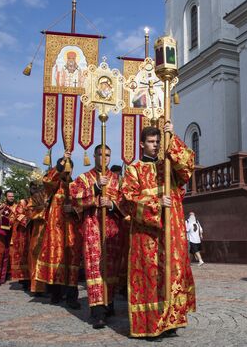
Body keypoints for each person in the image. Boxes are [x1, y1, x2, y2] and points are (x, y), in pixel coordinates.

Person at [120, 124, 196, 339]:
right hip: (147, 234)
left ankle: (171, 321)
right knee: (151, 276)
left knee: (172, 274)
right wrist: (155, 203)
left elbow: (188, 165)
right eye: (152, 142)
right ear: (142, 144)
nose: (156, 146)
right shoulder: (133, 169)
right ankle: (150, 325)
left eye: (158, 142)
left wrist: (172, 136)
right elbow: (127, 199)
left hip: (173, 230)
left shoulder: (168, 166)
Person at [70, 144, 123, 329]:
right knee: (95, 269)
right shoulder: (84, 178)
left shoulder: (117, 180)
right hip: (92, 228)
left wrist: (111, 204)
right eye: (101, 155)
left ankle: (109, 304)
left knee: (111, 268)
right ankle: (98, 311)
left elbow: (126, 202)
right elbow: (74, 197)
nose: (105, 158)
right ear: (94, 156)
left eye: (108, 155)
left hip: (113, 230)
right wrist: (94, 188)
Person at [35, 153, 82, 309]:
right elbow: (47, 180)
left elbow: (84, 204)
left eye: (69, 170)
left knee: (72, 262)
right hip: (56, 231)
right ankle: (55, 293)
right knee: (56, 259)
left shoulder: (77, 186)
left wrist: (75, 209)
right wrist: (62, 162)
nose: (67, 173)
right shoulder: (54, 187)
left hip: (73, 230)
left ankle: (71, 297)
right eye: (64, 170)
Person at [6, 190, 30, 290]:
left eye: (12, 196)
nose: (11, 198)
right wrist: (31, 221)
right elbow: (18, 216)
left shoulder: (42, 201)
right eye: (9, 196)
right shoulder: (23, 202)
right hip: (18, 234)